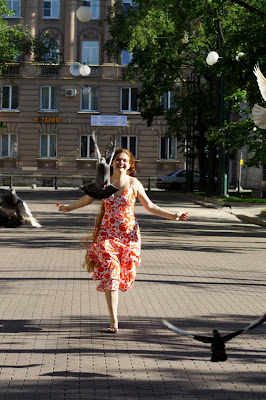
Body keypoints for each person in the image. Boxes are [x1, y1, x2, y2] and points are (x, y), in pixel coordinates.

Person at [59, 149, 188, 333]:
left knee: (124, 276)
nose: (121, 163)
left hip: (129, 237)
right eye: (118, 160)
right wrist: (68, 208)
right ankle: (114, 320)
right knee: (112, 272)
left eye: (124, 161)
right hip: (108, 236)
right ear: (112, 163)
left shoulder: (134, 183)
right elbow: (88, 198)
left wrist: (173, 215)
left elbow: (150, 206)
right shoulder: (104, 183)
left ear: (129, 164)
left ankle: (114, 314)